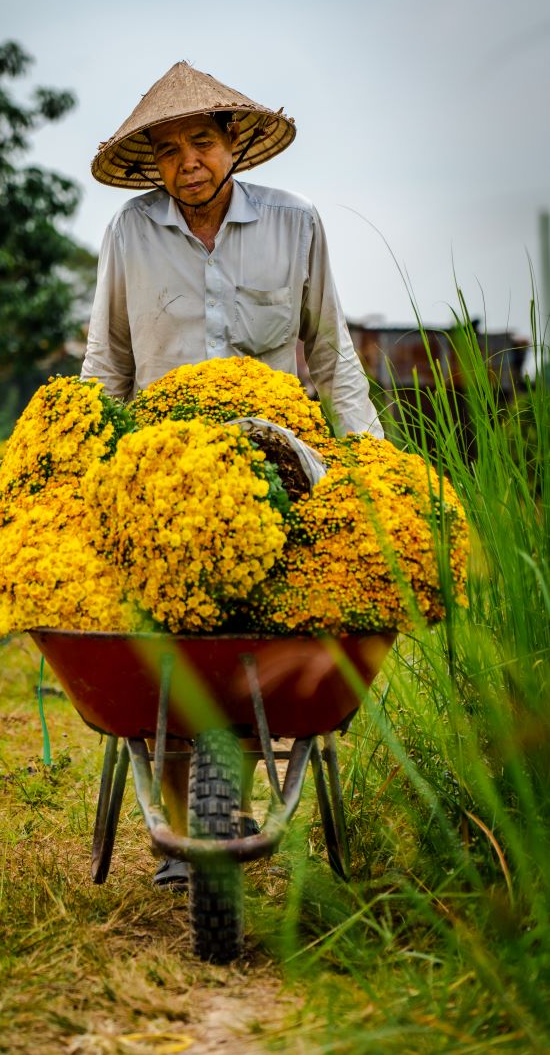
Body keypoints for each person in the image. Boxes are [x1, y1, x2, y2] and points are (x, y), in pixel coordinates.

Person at [81, 62, 383, 886]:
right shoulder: (131, 234)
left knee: (256, 633)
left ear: (233, 145)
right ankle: (184, 828)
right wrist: (77, 460)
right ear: (154, 163)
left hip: (279, 463)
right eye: (170, 151)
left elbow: (331, 354)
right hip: (162, 476)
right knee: (175, 638)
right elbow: (107, 361)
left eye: (203, 143)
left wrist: (371, 461)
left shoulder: (295, 225)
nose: (189, 165)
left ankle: (223, 798)